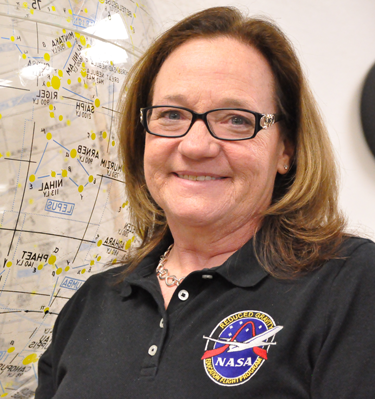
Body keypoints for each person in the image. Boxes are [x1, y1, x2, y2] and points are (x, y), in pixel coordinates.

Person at [35, 6, 375, 398]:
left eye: (235, 119)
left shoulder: (348, 284)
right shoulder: (93, 303)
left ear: (286, 148)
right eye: (172, 115)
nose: (196, 146)